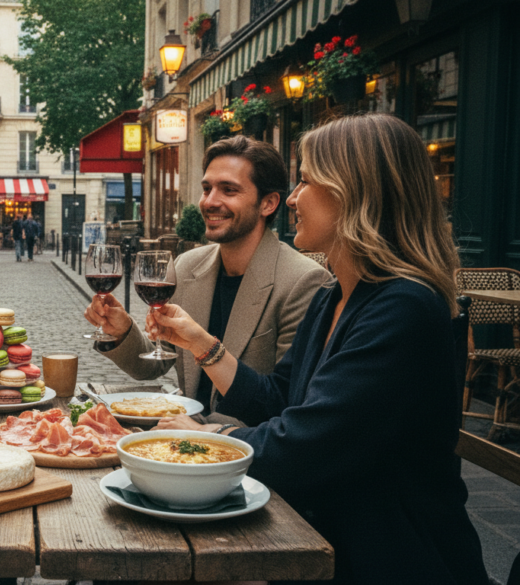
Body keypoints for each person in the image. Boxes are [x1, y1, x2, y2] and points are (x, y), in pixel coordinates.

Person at [148, 114, 487, 584]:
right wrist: (201, 344)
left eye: (307, 181)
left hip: (382, 555)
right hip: (315, 532)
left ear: (355, 194)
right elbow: (279, 400)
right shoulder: (335, 296)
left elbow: (305, 447)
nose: (292, 199)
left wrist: (196, 442)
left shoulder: (404, 308)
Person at [85, 136, 329, 424]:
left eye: (229, 190)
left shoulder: (304, 282)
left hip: (245, 450)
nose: (210, 202)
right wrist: (123, 331)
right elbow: (156, 365)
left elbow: (286, 405)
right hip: (177, 434)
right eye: (206, 188)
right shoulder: (188, 266)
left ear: (268, 203)